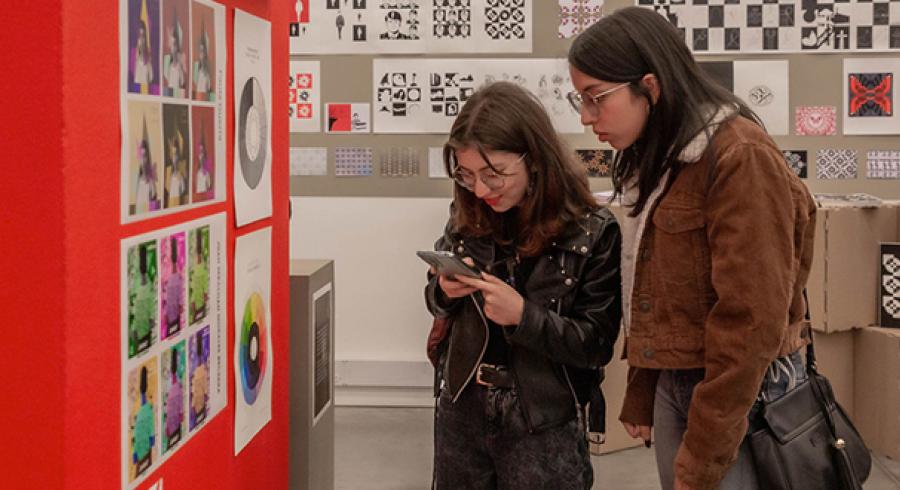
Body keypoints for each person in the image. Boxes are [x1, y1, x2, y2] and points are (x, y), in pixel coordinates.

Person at [567, 7, 816, 490]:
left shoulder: (739, 154)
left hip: (740, 398)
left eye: (596, 98)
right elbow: (655, 285)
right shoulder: (661, 159)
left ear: (650, 87)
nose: (586, 116)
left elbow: (751, 322)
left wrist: (704, 455)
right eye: (580, 99)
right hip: (680, 383)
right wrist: (644, 386)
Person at [424, 81, 622, 489]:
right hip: (462, 407)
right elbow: (437, 304)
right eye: (466, 175)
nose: (480, 190)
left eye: (494, 175)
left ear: (534, 160)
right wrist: (443, 291)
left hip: (544, 419)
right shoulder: (468, 214)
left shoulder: (592, 230)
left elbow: (596, 344)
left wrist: (523, 317)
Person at [133, 20, 154, 90]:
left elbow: (151, 77)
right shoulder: (135, 58)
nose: (141, 39)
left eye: (143, 36)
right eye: (140, 36)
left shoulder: (148, 55)